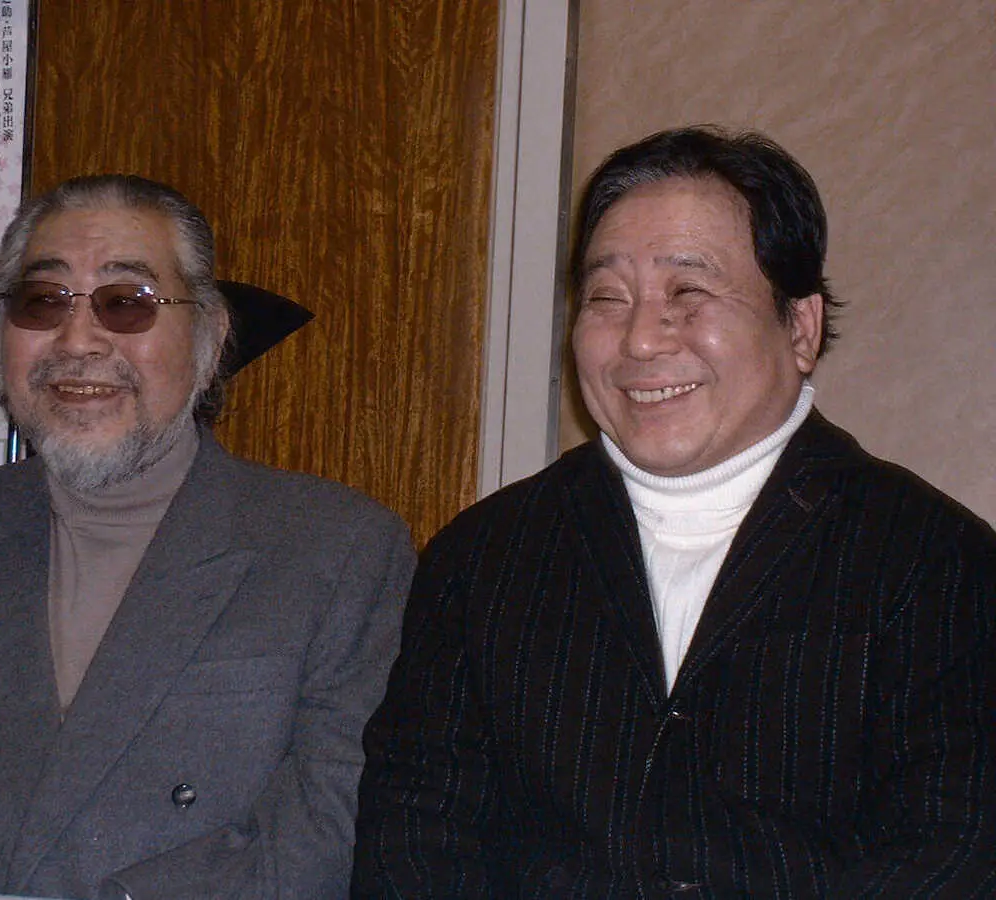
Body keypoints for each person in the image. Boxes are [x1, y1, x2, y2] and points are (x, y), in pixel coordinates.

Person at [354, 127, 996, 897]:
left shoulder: (936, 560)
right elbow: (414, 834)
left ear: (799, 326)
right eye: (607, 298)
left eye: (688, 293)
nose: (640, 339)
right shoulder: (484, 557)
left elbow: (955, 849)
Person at [0, 174, 414, 899]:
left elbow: (328, 821)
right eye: (43, 301)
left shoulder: (335, 549)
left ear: (210, 337)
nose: (78, 339)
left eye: (127, 302)